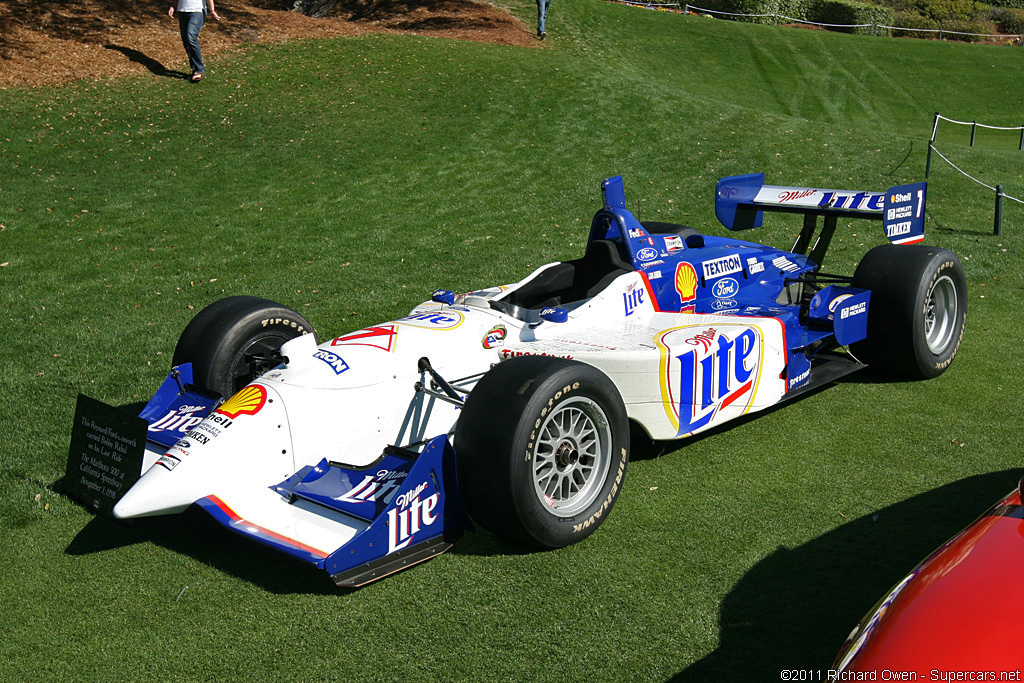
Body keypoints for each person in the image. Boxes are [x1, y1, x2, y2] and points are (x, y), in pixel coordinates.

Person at [168, 0, 220, 82]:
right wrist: (173, 6)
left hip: (197, 11)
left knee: (190, 37)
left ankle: (199, 69)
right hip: (182, 11)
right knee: (186, 41)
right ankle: (195, 69)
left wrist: (212, 11)